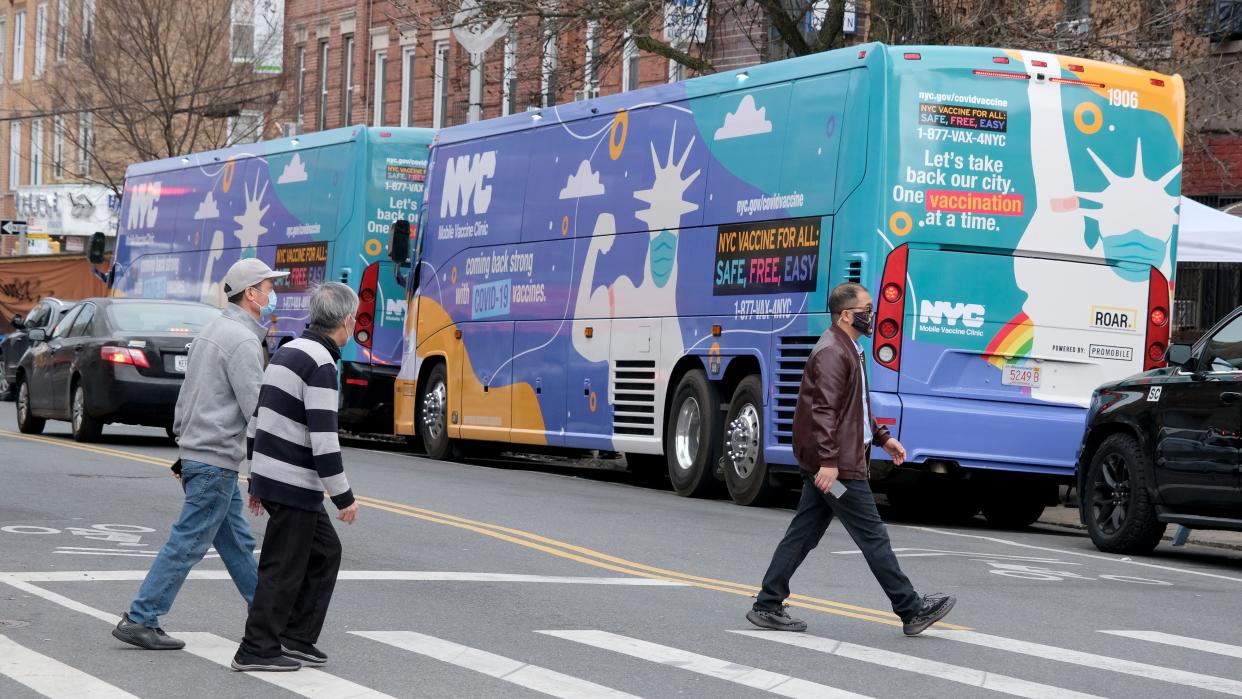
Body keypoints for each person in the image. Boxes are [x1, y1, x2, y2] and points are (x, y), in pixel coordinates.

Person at [746, 282, 957, 636]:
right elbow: (823, 411)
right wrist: (829, 463)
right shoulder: (832, 351)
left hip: (836, 462)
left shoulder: (849, 347)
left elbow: (854, 408)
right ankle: (911, 609)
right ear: (847, 315)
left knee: (803, 534)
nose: (871, 316)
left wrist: (884, 438)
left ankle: (767, 604)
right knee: (873, 536)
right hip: (839, 469)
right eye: (867, 310)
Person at [113, 258, 288, 650]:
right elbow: (255, 410)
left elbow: (188, 397)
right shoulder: (242, 340)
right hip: (214, 459)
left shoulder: (212, 330)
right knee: (189, 541)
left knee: (236, 543)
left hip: (202, 454)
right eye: (267, 286)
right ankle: (141, 616)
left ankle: (268, 618)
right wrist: (263, 469)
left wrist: (183, 448)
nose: (272, 293)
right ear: (250, 294)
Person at [232, 282, 360, 672]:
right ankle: (256, 648)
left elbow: (258, 418)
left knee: (324, 552)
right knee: (283, 567)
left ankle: (294, 636)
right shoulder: (320, 363)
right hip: (291, 480)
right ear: (346, 321)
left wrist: (256, 478)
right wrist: (343, 495)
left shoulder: (289, 350)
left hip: (275, 475)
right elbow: (324, 438)